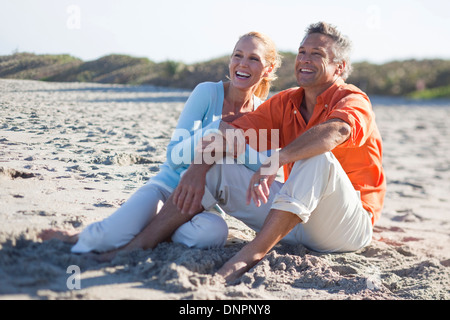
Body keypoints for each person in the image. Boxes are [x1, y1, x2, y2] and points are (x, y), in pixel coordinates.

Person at [106, 21, 385, 283]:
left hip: (347, 227)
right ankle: (138, 245)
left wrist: (276, 159)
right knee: (218, 165)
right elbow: (229, 130)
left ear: (339, 67)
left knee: (318, 156)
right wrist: (197, 169)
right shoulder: (286, 101)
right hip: (293, 219)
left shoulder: (352, 99)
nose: (305, 59)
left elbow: (336, 132)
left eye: (317, 53)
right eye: (301, 52)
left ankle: (249, 255)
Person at [38, 31, 282, 253]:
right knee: (101, 241)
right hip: (166, 189)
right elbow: (174, 157)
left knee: (212, 234)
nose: (242, 63)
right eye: (237, 55)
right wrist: (214, 132)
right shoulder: (207, 92)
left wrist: (232, 145)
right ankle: (76, 236)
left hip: (203, 206)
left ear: (268, 69)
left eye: (253, 58)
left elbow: (266, 166)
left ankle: (155, 231)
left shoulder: (265, 112)